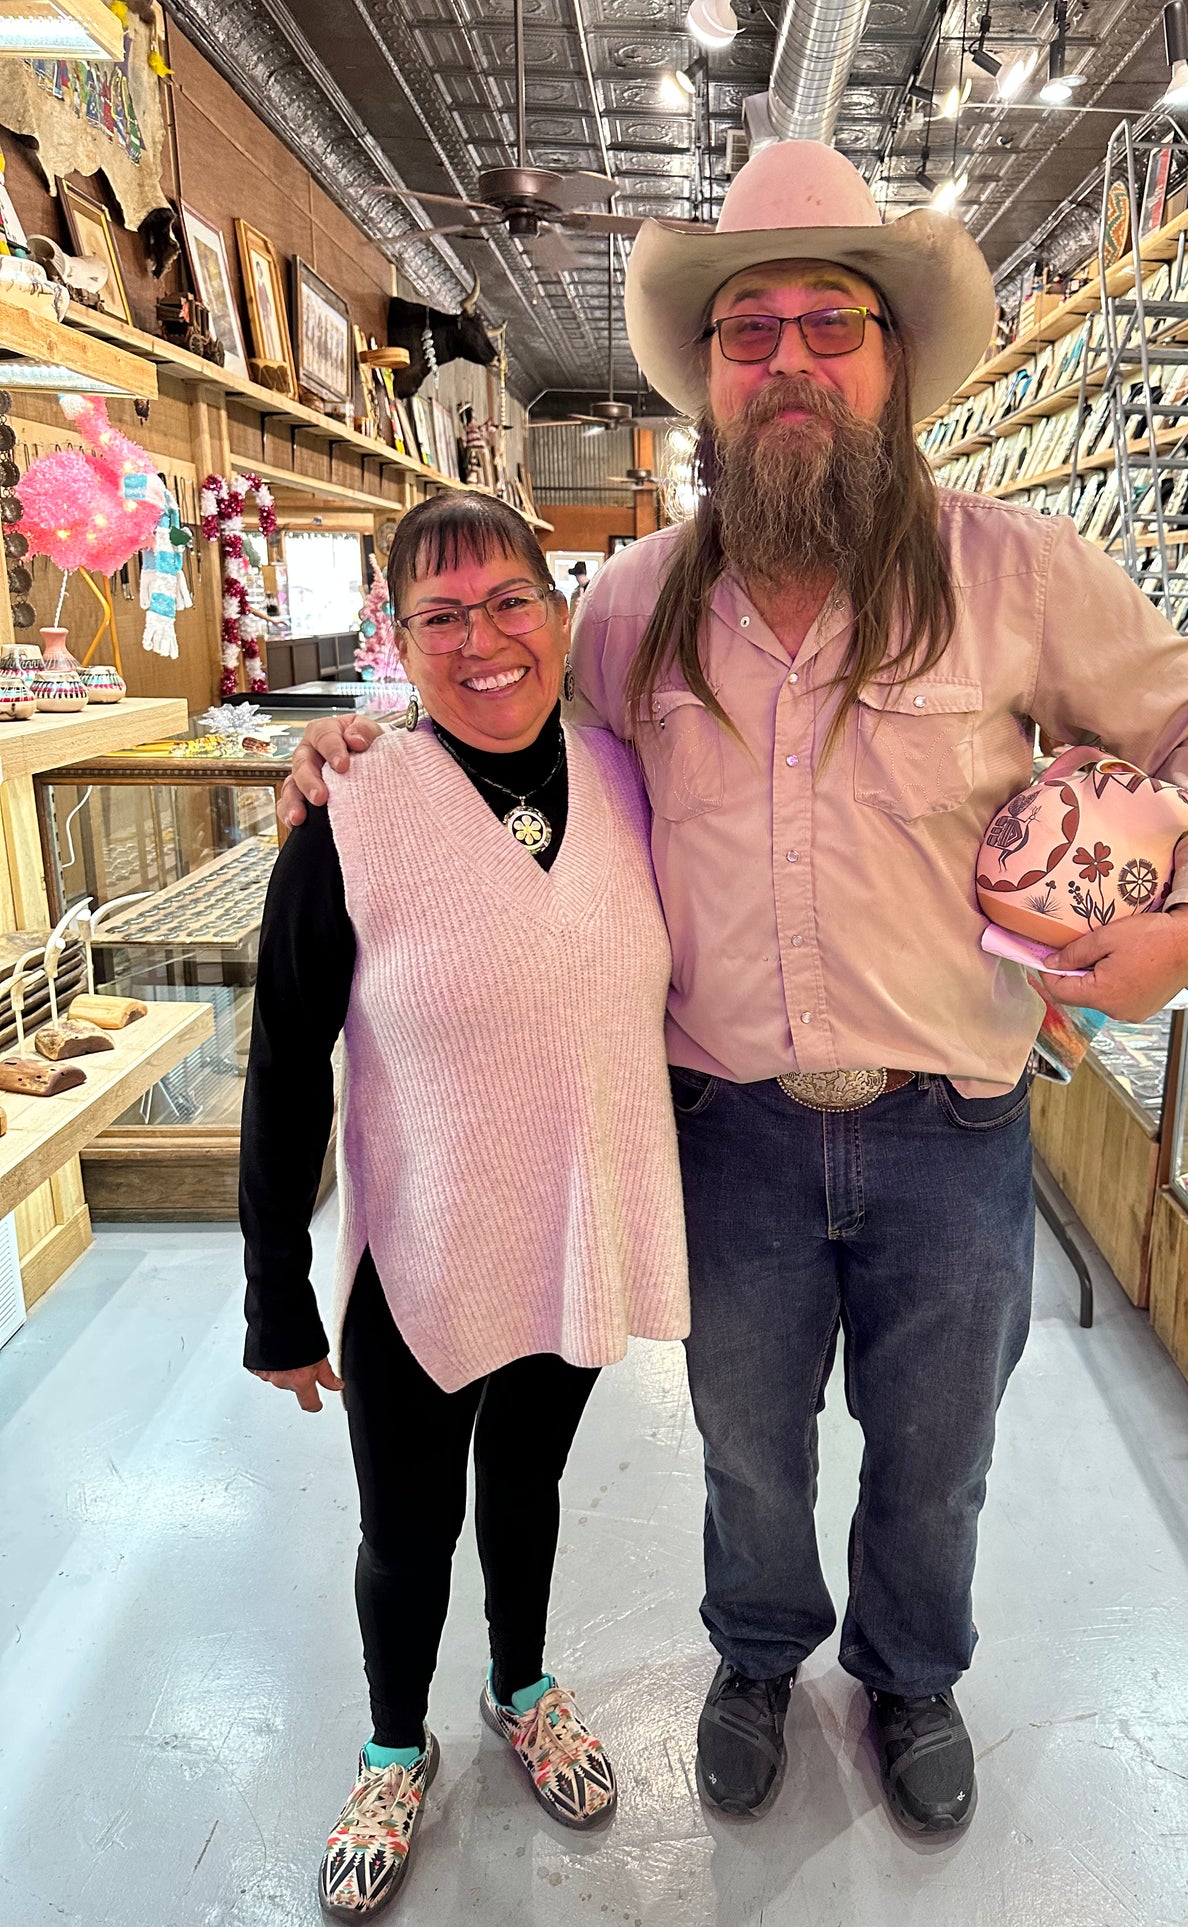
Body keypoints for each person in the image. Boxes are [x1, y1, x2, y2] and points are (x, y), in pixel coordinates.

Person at [281, 141, 1188, 1839]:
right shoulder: (638, 608)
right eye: (750, 331)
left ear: (888, 367)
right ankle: (755, 1653)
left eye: (831, 323)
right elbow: (506, 736)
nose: (790, 358)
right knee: (746, 1453)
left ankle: (909, 1671)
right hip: (718, 1131)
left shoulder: (1018, 575)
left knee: (935, 1452)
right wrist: (353, 757)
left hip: (953, 1126)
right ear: (712, 381)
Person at [242, 492, 689, 1917]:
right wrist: (275, 1294)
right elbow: (284, 1062)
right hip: (420, 1260)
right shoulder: (350, 811)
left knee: (530, 1485)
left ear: (560, 617)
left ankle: (519, 1684)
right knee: (406, 1523)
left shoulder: (628, 780)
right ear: (399, 637)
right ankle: (392, 1743)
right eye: (440, 615)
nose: (483, 640)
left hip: (577, 1232)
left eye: (510, 602)